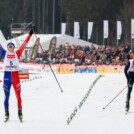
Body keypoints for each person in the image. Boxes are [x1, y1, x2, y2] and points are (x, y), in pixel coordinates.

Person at [0, 27, 35, 121]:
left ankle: (20, 112)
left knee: (18, 96)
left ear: (14, 47)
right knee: (6, 97)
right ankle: (7, 113)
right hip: (7, 78)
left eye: (12, 45)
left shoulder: (18, 53)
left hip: (15, 77)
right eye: (9, 45)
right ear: (7, 47)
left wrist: (30, 33)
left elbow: (25, 43)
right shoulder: (3, 53)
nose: (10, 46)